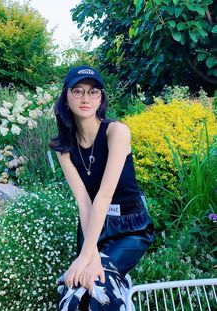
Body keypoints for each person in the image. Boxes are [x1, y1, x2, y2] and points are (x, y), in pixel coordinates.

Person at [49, 65, 154, 310]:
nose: (86, 98)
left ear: (101, 98)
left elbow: (104, 196)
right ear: (66, 97)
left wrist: (88, 257)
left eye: (93, 91)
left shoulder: (116, 132)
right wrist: (90, 253)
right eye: (78, 91)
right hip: (93, 224)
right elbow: (84, 203)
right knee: (76, 288)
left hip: (131, 227)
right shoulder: (63, 147)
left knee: (97, 284)